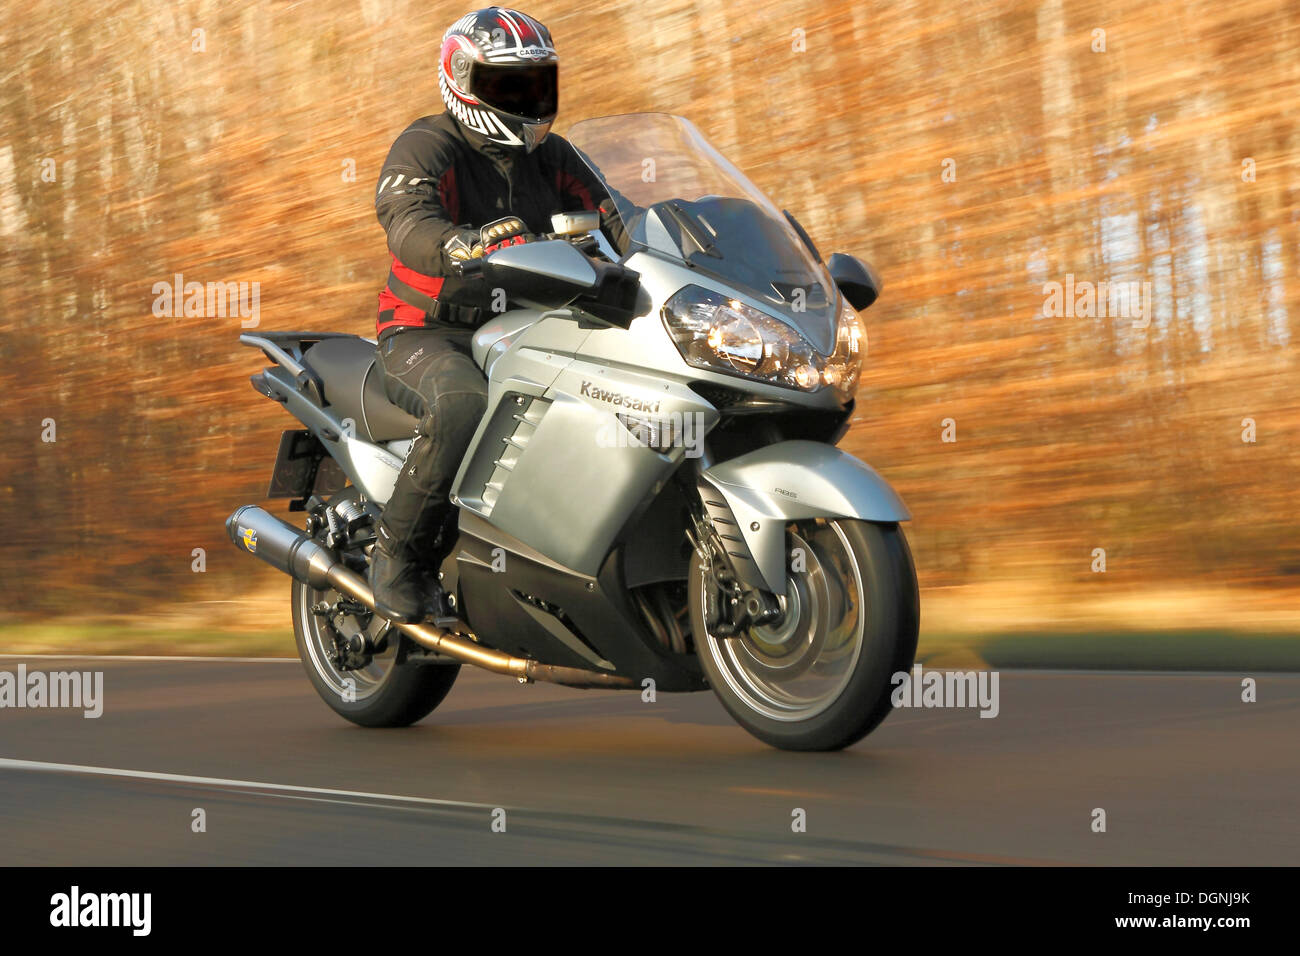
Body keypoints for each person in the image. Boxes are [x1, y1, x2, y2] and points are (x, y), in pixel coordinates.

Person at [368, 6, 618, 623]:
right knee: (463, 405)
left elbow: (618, 220)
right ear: (462, 79)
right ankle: (399, 559)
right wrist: (460, 244)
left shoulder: (554, 156)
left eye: (537, 84)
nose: (528, 99)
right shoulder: (427, 145)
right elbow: (407, 221)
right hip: (429, 330)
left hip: (529, 324)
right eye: (510, 85)